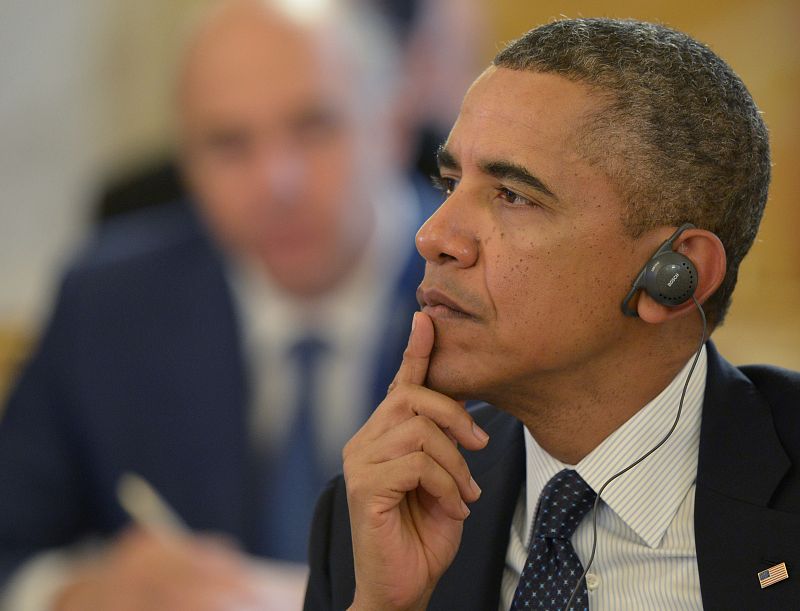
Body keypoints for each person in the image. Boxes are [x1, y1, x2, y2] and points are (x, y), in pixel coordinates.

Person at [304, 18, 800, 611]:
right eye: (449, 183)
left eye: (513, 196)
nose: (433, 236)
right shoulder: (384, 503)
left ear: (673, 276)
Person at [0, 0, 438, 609]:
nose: (274, 183)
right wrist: (80, 594)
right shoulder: (106, 301)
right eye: (229, 144)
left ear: (393, 121)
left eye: (313, 126)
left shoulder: (501, 290)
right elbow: (10, 541)